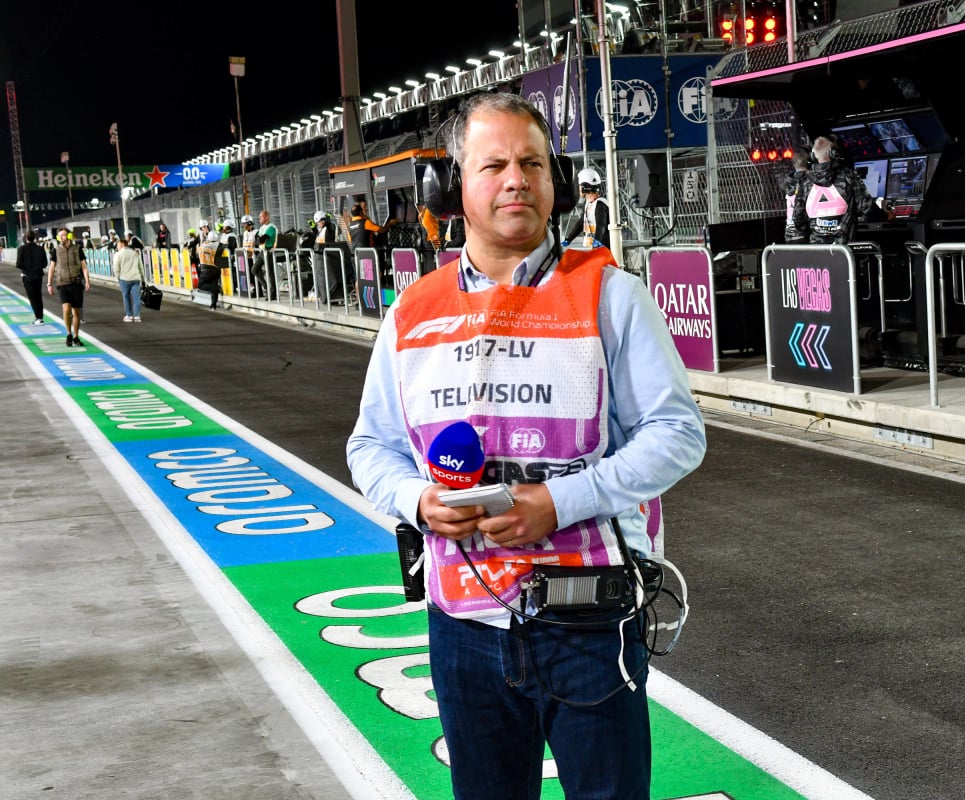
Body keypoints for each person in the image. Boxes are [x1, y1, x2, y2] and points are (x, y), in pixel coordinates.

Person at [346, 92, 706, 800]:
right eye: (495, 165)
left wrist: (560, 502)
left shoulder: (611, 296)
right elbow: (371, 446)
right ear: (453, 188)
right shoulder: (411, 312)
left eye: (532, 163)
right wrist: (418, 501)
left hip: (590, 620)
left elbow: (678, 434)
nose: (516, 179)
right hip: (462, 629)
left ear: (556, 181)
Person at [790, 134, 885, 245]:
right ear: (833, 153)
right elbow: (867, 208)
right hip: (845, 254)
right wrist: (886, 215)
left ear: (813, 156)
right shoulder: (848, 175)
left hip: (817, 253)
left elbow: (798, 219)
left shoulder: (804, 181)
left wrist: (817, 233)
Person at [47, 227, 90, 347]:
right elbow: (52, 267)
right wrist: (49, 283)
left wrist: (87, 280)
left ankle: (76, 336)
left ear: (69, 236)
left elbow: (84, 266)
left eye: (64, 235)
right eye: (59, 235)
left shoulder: (77, 249)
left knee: (76, 312)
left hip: (76, 283)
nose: (61, 237)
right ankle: (68, 333)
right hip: (62, 283)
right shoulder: (55, 250)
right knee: (66, 310)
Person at [561, 166, 610, 249]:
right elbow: (581, 223)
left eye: (579, 186)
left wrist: (598, 240)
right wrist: (569, 239)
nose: (577, 189)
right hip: (594, 247)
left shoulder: (600, 205)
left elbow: (601, 225)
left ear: (585, 187)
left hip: (603, 248)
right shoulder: (587, 203)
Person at [15, 230, 48, 324]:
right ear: (35, 238)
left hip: (27, 276)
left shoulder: (21, 249)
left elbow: (18, 264)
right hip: (38, 275)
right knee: (38, 296)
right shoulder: (40, 249)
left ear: (25, 238)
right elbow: (45, 263)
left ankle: (37, 317)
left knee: (32, 297)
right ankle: (40, 316)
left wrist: (26, 269)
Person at [112, 234, 144, 322]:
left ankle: (129, 315)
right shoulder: (135, 253)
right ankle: (137, 316)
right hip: (135, 278)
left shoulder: (118, 254)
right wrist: (143, 279)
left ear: (122, 245)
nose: (117, 246)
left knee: (126, 297)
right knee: (136, 298)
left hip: (124, 279)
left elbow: (116, 267)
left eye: (118, 245)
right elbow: (140, 266)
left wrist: (117, 277)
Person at [250, 210, 278, 300]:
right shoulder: (262, 228)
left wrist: (259, 239)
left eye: (261, 217)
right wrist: (258, 239)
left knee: (270, 273)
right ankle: (266, 287)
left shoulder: (271, 227)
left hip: (269, 251)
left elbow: (261, 239)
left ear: (266, 217)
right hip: (262, 252)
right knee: (254, 269)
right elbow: (256, 239)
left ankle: (273, 294)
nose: (259, 219)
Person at [196, 230, 222, 310]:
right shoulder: (218, 245)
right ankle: (213, 305)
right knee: (213, 285)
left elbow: (197, 255)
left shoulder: (203, 246)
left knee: (200, 286)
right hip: (216, 269)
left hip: (206, 270)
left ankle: (218, 289)